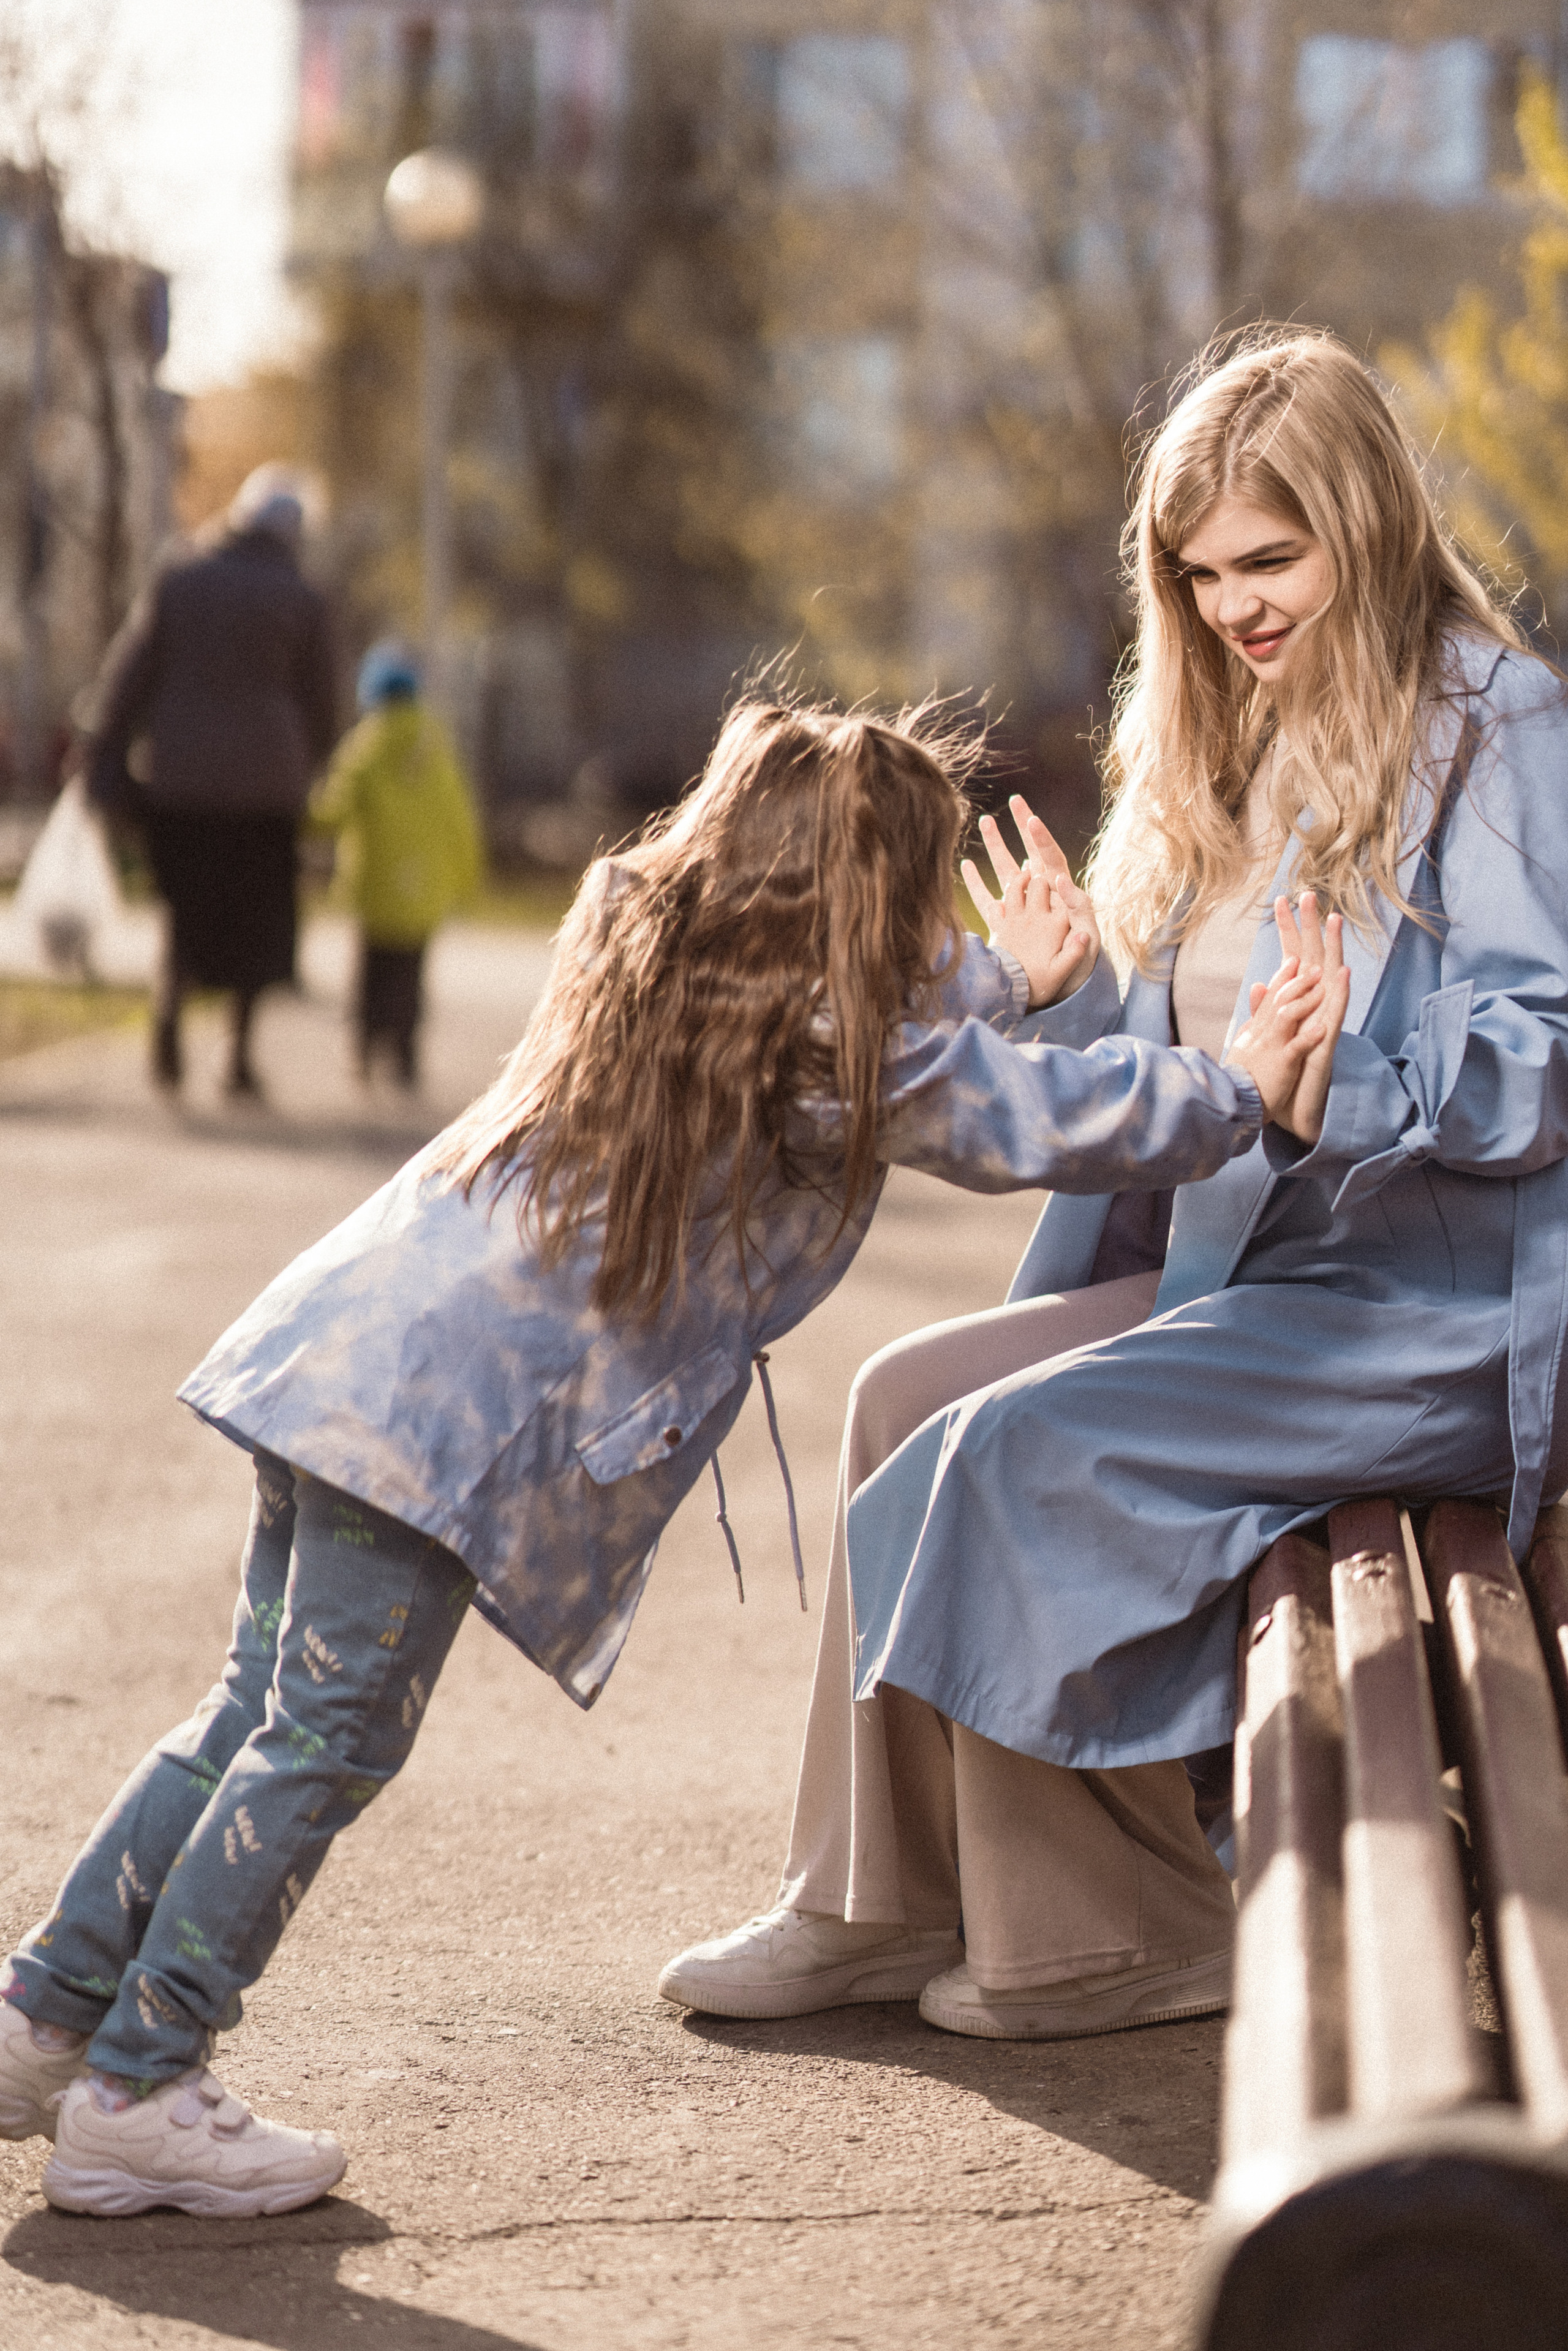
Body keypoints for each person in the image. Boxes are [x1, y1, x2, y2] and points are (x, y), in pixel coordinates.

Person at [0, 697, 1337, 2221]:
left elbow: (899, 1016)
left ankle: (47, 2019)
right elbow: (1006, 1110)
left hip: (333, 1355)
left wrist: (1012, 980)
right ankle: (144, 2084)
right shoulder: (825, 1049)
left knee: (249, 1708)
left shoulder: (669, 943)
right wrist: (1237, 1092)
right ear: (860, 904)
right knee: (325, 1739)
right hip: (434, 1430)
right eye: (907, 905)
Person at [660, 326, 1568, 2045]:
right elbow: (1208, 1064)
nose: (1234, 605)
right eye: (1203, 571)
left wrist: (1352, 1084)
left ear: (1366, 530)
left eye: (1272, 560)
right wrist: (1079, 995)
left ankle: (1128, 1925)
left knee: (1009, 1451)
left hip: (1431, 1311)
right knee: (896, 1396)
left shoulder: (1497, 732)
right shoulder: (1243, 736)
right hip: (1256, 1267)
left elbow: (1543, 1049)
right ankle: (870, 1894)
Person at [85, 462, 337, 1099]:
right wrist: (316, 763)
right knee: (255, 920)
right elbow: (325, 699)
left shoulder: (181, 578)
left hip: (181, 777)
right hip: (265, 788)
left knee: (186, 909)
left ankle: (169, 1010)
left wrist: (104, 747)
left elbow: (131, 671)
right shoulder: (303, 598)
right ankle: (238, 1054)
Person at [310, 640, 483, 1090]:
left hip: (375, 883)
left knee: (371, 972)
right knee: (411, 975)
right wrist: (467, 876)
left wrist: (301, 821)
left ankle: (365, 1047)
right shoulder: (438, 747)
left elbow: (334, 811)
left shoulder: (365, 747)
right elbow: (459, 818)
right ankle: (405, 1055)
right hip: (426, 888)